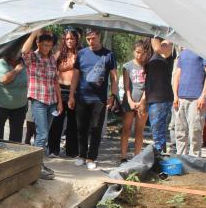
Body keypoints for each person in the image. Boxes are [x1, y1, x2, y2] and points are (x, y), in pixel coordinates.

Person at [69, 28, 119, 169]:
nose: (91, 41)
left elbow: (114, 78)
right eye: (88, 39)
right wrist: (72, 95)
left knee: (96, 128)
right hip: (82, 97)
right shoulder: (81, 54)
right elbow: (75, 76)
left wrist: (113, 96)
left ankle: (91, 158)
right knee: (81, 128)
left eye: (93, 38)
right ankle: (82, 155)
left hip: (99, 99)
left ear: (100, 37)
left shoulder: (109, 55)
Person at [21, 29, 62, 179]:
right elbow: (24, 51)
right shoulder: (33, 58)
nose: (46, 48)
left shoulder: (51, 59)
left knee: (43, 134)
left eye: (49, 45)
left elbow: (55, 80)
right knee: (42, 134)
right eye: (44, 44)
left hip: (51, 101)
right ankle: (36, 168)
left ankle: (38, 163)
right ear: (38, 43)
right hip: (38, 101)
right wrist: (34, 33)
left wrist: (60, 102)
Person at [172, 48, 206, 156]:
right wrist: (175, 95)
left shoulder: (202, 51)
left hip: (196, 99)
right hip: (181, 98)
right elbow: (177, 74)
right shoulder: (183, 53)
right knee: (180, 131)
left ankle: (194, 160)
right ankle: (181, 158)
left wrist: (203, 96)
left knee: (195, 132)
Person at [47, 29, 81, 158]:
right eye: (67, 39)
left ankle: (72, 151)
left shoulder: (80, 54)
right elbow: (51, 67)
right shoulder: (59, 54)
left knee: (73, 123)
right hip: (60, 90)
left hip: (75, 91)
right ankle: (53, 149)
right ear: (64, 40)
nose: (70, 41)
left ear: (76, 40)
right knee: (56, 121)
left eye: (72, 38)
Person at [119, 39, 151, 162]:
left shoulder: (148, 66)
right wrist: (130, 101)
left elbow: (148, 85)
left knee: (139, 130)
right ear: (134, 51)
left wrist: (142, 101)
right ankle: (123, 156)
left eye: (142, 53)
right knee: (126, 128)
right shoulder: (127, 66)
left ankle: (136, 157)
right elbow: (127, 86)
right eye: (137, 52)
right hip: (129, 101)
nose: (140, 55)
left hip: (144, 102)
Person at [145, 37, 176, 155]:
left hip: (162, 98)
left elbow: (159, 47)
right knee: (157, 132)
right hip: (153, 98)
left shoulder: (166, 49)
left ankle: (160, 158)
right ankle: (160, 157)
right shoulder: (152, 53)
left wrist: (154, 33)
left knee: (159, 134)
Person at [0, 52, 28, 142]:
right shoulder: (1, 63)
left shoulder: (25, 63)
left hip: (20, 105)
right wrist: (16, 70)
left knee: (17, 133)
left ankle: (14, 153)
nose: (18, 55)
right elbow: (4, 80)